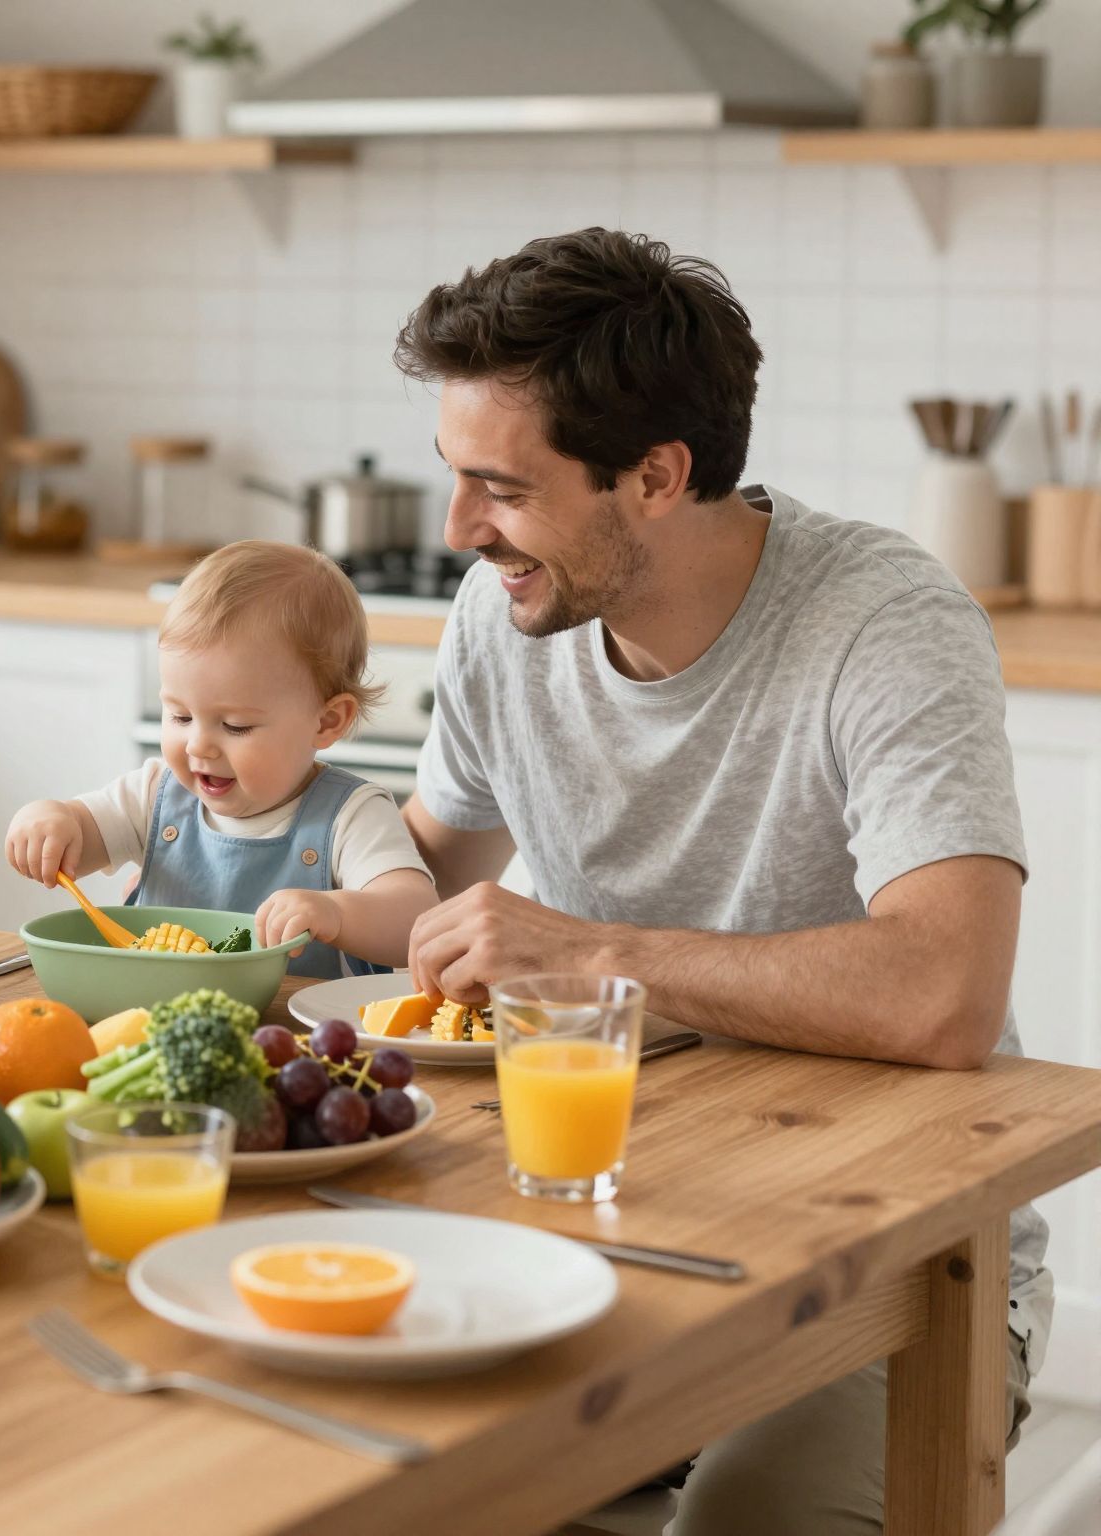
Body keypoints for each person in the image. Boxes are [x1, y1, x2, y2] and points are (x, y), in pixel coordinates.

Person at [394, 227, 1046, 1531]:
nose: (462, 530)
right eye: (453, 478)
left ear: (655, 475)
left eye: (501, 488)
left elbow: (943, 993)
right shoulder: (504, 614)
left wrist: (590, 954)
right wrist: (246, 815)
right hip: (588, 1218)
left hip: (890, 1264)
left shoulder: (883, 620)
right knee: (371, 1475)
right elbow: (413, 876)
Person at [5, 539, 436, 976]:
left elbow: (414, 921)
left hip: (296, 1039)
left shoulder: (352, 817)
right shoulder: (155, 796)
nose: (198, 746)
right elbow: (80, 834)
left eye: (235, 726)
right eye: (180, 716)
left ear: (326, 722)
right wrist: (49, 820)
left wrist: (336, 913)